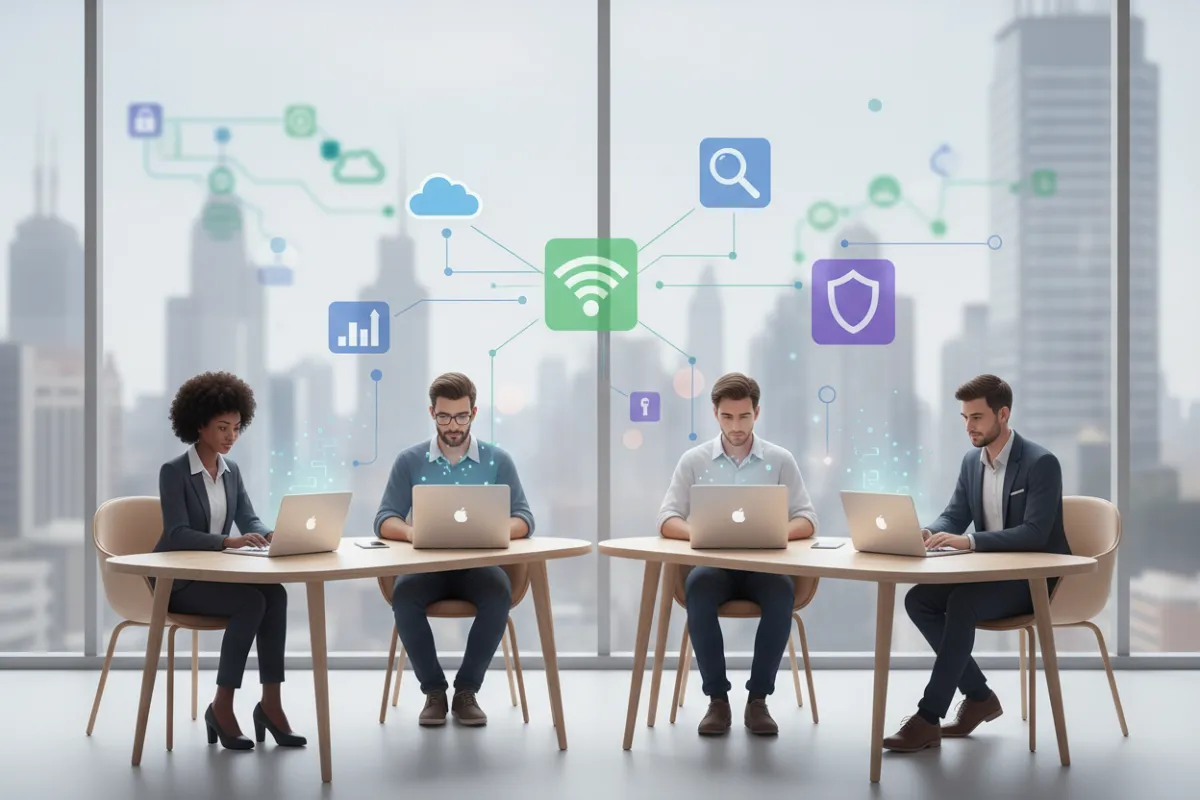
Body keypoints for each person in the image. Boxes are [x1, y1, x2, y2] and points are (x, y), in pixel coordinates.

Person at [883, 374, 1071, 753]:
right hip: (992, 575)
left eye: (977, 417)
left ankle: (928, 717)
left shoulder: (1041, 463)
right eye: (965, 418)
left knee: (961, 603)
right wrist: (929, 532)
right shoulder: (973, 461)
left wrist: (968, 542)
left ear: (1003, 414)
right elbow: (955, 515)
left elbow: (1034, 533)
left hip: (1031, 580)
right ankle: (980, 696)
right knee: (918, 600)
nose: (968, 426)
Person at [656, 372, 819, 737]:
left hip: (766, 568)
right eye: (728, 417)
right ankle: (717, 701)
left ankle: (758, 700)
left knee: (781, 593)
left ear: (756, 413)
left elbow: (807, 519)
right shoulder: (694, 461)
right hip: (714, 567)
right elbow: (667, 519)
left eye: (744, 416)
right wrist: (700, 533)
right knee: (698, 589)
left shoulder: (779, 460)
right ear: (716, 414)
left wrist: (773, 531)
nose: (736, 426)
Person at [154, 372, 306, 751]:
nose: (230, 436)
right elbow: (176, 534)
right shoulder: (174, 472)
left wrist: (270, 533)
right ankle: (221, 707)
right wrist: (227, 541)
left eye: (237, 428)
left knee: (276, 594)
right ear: (199, 425)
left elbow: (248, 518)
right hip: (176, 582)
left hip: (212, 577)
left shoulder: (230, 471)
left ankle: (271, 705)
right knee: (251, 601)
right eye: (222, 427)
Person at [375, 372, 535, 727]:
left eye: (461, 416)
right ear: (432, 413)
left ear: (474, 413)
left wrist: (493, 528)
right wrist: (413, 532)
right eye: (444, 416)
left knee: (498, 592)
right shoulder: (410, 460)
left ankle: (466, 691)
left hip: (479, 568)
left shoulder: (498, 461)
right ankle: (434, 692)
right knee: (405, 596)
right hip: (427, 566)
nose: (453, 425)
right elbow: (385, 518)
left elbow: (524, 518)